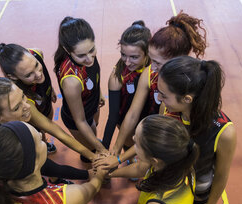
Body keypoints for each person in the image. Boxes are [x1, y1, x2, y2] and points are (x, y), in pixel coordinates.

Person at [157, 56, 237, 204]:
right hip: (170, 179)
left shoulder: (224, 132)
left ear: (187, 99)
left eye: (164, 95)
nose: (159, 99)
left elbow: (221, 174)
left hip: (197, 189)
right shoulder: (167, 110)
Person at [112, 12, 207, 156]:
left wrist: (122, 159)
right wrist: (115, 151)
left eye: (157, 63)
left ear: (177, 59)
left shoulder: (195, 83)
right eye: (151, 60)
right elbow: (132, 114)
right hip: (160, 135)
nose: (152, 67)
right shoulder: (151, 72)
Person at [0, 76, 95, 183]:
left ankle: (55, 180)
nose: (27, 106)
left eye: (23, 96)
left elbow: (57, 131)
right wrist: (88, 174)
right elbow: (47, 167)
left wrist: (92, 156)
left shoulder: (19, 109)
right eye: (17, 107)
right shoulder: (7, 143)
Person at [105, 115, 199, 204]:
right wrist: (110, 173)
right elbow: (139, 168)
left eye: (137, 142)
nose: (132, 139)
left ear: (154, 160)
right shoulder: (180, 163)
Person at [54, 16, 107, 158]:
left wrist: (99, 93)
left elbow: (92, 76)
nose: (89, 59)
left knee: (94, 130)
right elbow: (80, 121)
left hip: (92, 104)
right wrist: (101, 149)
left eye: (92, 50)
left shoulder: (86, 58)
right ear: (67, 50)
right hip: (79, 119)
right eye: (81, 55)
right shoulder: (71, 81)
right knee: (91, 150)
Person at [0, 43, 57, 154]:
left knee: (47, 118)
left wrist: (50, 88)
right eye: (29, 75)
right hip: (32, 115)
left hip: (44, 101)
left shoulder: (34, 54)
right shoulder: (20, 94)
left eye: (37, 65)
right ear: (13, 76)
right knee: (39, 133)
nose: (38, 74)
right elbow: (50, 127)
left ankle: (43, 139)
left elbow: (39, 52)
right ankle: (43, 146)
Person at [102, 21, 151, 151]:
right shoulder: (117, 77)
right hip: (127, 124)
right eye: (123, 55)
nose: (127, 62)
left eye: (134, 57)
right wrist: (104, 149)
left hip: (152, 122)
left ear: (147, 52)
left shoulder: (155, 67)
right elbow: (112, 117)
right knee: (130, 150)